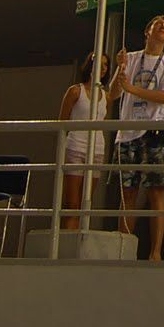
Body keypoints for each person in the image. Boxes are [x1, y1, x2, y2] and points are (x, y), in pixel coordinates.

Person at [115, 14, 164, 262]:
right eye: (158, 24)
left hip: (156, 131)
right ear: (147, 31)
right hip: (128, 131)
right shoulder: (131, 59)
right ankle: (124, 249)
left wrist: (131, 89)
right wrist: (119, 69)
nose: (163, 27)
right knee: (127, 193)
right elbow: (113, 94)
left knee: (157, 191)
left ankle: (155, 252)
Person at [57, 51, 120, 230]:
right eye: (98, 64)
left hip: (97, 149)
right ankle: (65, 243)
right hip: (76, 145)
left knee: (86, 202)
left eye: (105, 65)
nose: (102, 68)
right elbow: (62, 123)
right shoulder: (75, 91)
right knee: (72, 202)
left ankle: (79, 240)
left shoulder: (106, 96)